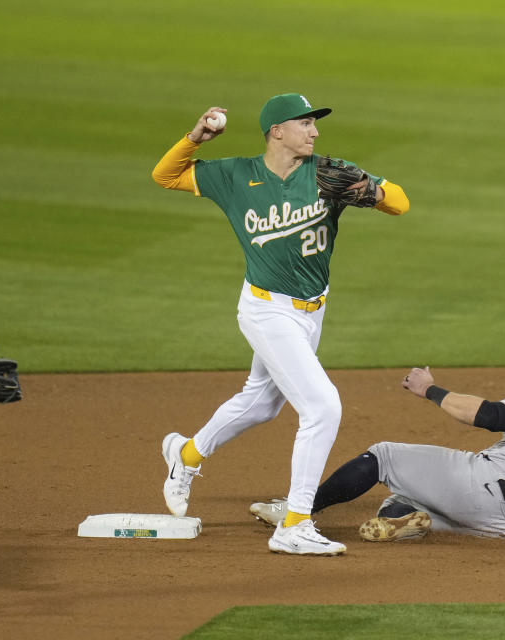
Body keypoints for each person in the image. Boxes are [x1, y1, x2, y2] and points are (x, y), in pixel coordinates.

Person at [151, 93, 410, 555]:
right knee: (323, 407)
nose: (315, 131)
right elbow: (164, 174)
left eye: (315, 124)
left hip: (312, 312)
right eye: (306, 123)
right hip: (266, 310)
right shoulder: (235, 175)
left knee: (262, 403)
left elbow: (401, 203)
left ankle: (185, 455)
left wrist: (369, 191)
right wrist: (196, 138)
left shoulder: (330, 172)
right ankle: (294, 524)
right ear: (277, 132)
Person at [250, 328, 505, 542]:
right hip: (500, 523)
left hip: (482, 485)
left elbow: (490, 415)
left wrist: (429, 390)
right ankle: (405, 521)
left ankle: (297, 511)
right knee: (400, 499)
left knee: (384, 456)